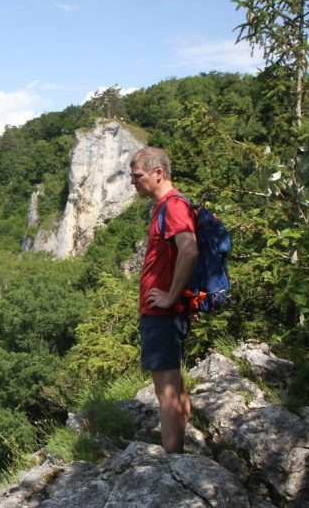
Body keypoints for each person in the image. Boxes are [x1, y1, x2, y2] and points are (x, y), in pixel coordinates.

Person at [130, 146, 197, 454]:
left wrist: (170, 297)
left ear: (158, 173)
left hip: (162, 314)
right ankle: (184, 452)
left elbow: (190, 249)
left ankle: (174, 463)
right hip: (163, 312)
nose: (133, 182)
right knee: (175, 383)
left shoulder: (173, 206)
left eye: (137, 175)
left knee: (166, 390)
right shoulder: (163, 207)